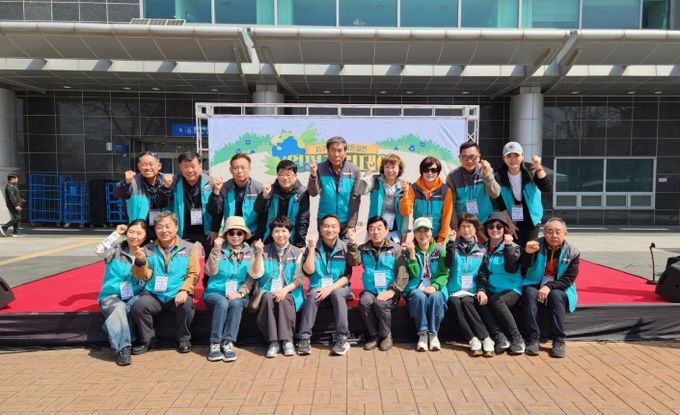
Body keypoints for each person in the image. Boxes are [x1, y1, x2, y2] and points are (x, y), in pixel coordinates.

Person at [130, 211, 201, 354]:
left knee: (187, 304)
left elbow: (193, 273)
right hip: (154, 295)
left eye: (168, 226)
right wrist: (140, 262)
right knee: (139, 305)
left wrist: (184, 290)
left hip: (177, 293)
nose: (164, 230)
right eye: (159, 227)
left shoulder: (189, 248)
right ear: (155, 230)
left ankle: (184, 339)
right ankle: (149, 339)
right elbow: (139, 275)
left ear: (176, 227)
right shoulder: (147, 249)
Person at [434, 213, 494, 357]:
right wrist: (450, 244)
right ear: (459, 229)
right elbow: (448, 264)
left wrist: (481, 290)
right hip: (454, 289)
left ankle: (486, 338)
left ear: (476, 229)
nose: (466, 230)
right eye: (463, 226)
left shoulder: (482, 250)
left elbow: (482, 274)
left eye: (470, 226)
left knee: (467, 302)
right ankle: (473, 339)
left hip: (471, 290)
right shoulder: (453, 246)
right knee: (455, 303)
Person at [348, 216, 408, 352]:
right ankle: (374, 335)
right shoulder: (363, 249)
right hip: (370, 290)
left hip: (390, 290)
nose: (375, 232)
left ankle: (386, 335)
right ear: (368, 232)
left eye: (379, 228)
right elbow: (354, 262)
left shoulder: (396, 249)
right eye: (372, 229)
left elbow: (403, 273)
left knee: (380, 303)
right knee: (364, 302)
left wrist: (392, 291)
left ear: (386, 230)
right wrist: (352, 243)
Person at [246, 216, 305, 358]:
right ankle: (273, 342)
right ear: (271, 234)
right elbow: (256, 273)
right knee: (268, 298)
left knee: (284, 300)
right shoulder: (264, 251)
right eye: (277, 231)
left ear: (290, 233)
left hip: (290, 290)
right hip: (268, 290)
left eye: (284, 231)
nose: (281, 234)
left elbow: (300, 279)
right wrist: (259, 254)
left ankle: (287, 340)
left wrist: (284, 290)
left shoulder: (297, 252)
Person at [521, 218, 579, 358]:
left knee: (556, 295)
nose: (554, 235)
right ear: (544, 233)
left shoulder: (573, 252)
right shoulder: (536, 245)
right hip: (535, 282)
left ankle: (558, 340)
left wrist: (549, 286)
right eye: (550, 231)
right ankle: (533, 338)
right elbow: (523, 267)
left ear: (565, 234)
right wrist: (527, 253)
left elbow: (569, 279)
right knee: (529, 293)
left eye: (558, 232)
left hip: (559, 286)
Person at [203, 216, 257, 362]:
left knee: (236, 303)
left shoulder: (249, 251)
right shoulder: (218, 248)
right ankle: (215, 343)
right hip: (216, 291)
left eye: (239, 233)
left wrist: (240, 292)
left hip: (239, 293)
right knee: (222, 303)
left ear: (244, 235)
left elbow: (251, 277)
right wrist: (216, 249)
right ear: (226, 234)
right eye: (231, 232)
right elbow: (210, 271)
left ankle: (228, 342)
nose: (235, 236)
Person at [297, 214, 353, 356]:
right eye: (326, 226)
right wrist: (311, 250)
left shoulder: (345, 248)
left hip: (339, 287)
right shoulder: (313, 247)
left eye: (334, 226)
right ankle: (304, 339)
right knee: (312, 296)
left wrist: (329, 288)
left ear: (339, 229)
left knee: (337, 294)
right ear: (320, 229)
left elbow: (347, 276)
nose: (330, 230)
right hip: (317, 286)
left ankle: (342, 338)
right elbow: (308, 271)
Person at [95, 220, 148, 366]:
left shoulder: (147, 253)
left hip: (134, 295)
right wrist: (116, 234)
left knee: (138, 305)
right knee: (119, 307)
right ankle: (123, 349)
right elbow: (99, 251)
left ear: (145, 236)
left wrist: (142, 261)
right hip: (111, 296)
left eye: (139, 233)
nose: (134, 236)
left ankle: (112, 328)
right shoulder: (115, 249)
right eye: (131, 232)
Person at [477, 212, 525, 355]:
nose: (495, 229)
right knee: (479, 299)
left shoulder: (514, 247)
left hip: (511, 289)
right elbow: (482, 273)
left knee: (496, 301)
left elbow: (511, 269)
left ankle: (517, 338)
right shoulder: (483, 248)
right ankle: (500, 336)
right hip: (492, 288)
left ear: (505, 229)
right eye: (491, 226)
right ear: (486, 229)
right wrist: (481, 290)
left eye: (499, 227)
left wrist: (508, 246)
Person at [403, 217, 447, 352]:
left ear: (431, 232)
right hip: (416, 287)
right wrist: (412, 254)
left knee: (436, 296)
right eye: (419, 231)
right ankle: (422, 334)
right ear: (414, 234)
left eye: (426, 231)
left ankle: (433, 334)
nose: (422, 235)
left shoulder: (439, 250)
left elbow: (444, 273)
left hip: (435, 286)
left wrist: (435, 286)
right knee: (419, 296)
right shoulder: (408, 251)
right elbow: (413, 274)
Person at [495, 142, 552, 247]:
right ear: (504, 158)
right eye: (509, 156)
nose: (513, 159)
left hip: (532, 218)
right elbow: (500, 202)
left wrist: (539, 168)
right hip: (513, 219)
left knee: (529, 249)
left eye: (516, 155)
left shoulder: (531, 171)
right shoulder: (499, 176)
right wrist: (509, 223)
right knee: (515, 250)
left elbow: (546, 188)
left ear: (522, 156)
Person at [165, 152, 216, 255]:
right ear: (180, 167)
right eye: (186, 166)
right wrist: (165, 188)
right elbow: (163, 204)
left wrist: (214, 230)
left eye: (193, 166)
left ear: (200, 166)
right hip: (182, 233)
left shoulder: (210, 182)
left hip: (206, 233)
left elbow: (217, 209)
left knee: (206, 263)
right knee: (184, 263)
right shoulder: (174, 182)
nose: (190, 170)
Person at [308, 136, 361, 235]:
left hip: (345, 222)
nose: (336, 154)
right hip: (325, 221)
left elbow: (355, 199)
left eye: (340, 150)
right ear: (327, 151)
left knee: (346, 245)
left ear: (345, 152)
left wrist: (351, 225)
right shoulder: (319, 168)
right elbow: (313, 193)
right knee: (324, 245)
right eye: (333, 150)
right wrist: (313, 174)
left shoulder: (354, 170)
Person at [207, 153, 263, 243]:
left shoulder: (259, 188)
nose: (239, 171)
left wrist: (258, 238)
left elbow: (263, 215)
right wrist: (214, 230)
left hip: (252, 236)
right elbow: (217, 212)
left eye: (243, 167)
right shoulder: (223, 187)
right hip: (231, 235)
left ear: (249, 169)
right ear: (231, 170)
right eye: (236, 168)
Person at [113, 152, 173, 236]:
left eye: (151, 164)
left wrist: (167, 187)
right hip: (140, 231)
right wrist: (126, 183)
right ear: (139, 166)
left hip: (165, 230)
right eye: (144, 164)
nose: (148, 168)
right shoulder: (132, 181)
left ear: (159, 166)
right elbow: (118, 193)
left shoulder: (169, 180)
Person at [254, 159, 310, 248]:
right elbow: (258, 211)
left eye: (288, 174)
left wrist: (300, 244)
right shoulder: (270, 190)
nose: (285, 178)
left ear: (295, 175)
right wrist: (264, 196)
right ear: (277, 175)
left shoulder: (302, 193)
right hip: (269, 236)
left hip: (291, 237)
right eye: (282, 174)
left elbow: (302, 220)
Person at [445, 140, 501, 229]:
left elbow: (495, 194)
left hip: (485, 223)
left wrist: (487, 175)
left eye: (473, 157)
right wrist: (456, 228)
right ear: (459, 158)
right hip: (464, 227)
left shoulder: (485, 170)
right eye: (465, 157)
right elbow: (452, 206)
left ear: (479, 157)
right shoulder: (452, 177)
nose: (469, 160)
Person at [399, 156, 453, 244]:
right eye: (426, 170)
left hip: (437, 238)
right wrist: (405, 194)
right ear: (421, 171)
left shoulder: (446, 190)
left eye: (433, 170)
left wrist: (441, 239)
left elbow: (446, 217)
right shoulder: (413, 188)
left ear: (438, 172)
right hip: (419, 237)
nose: (430, 173)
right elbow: (405, 212)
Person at [358, 154, 409, 243]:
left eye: (393, 167)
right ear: (383, 169)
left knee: (393, 251)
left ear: (399, 169)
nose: (390, 170)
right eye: (387, 167)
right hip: (376, 230)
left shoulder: (404, 185)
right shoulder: (375, 180)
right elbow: (361, 190)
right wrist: (369, 172)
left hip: (395, 230)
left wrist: (404, 230)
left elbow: (406, 211)